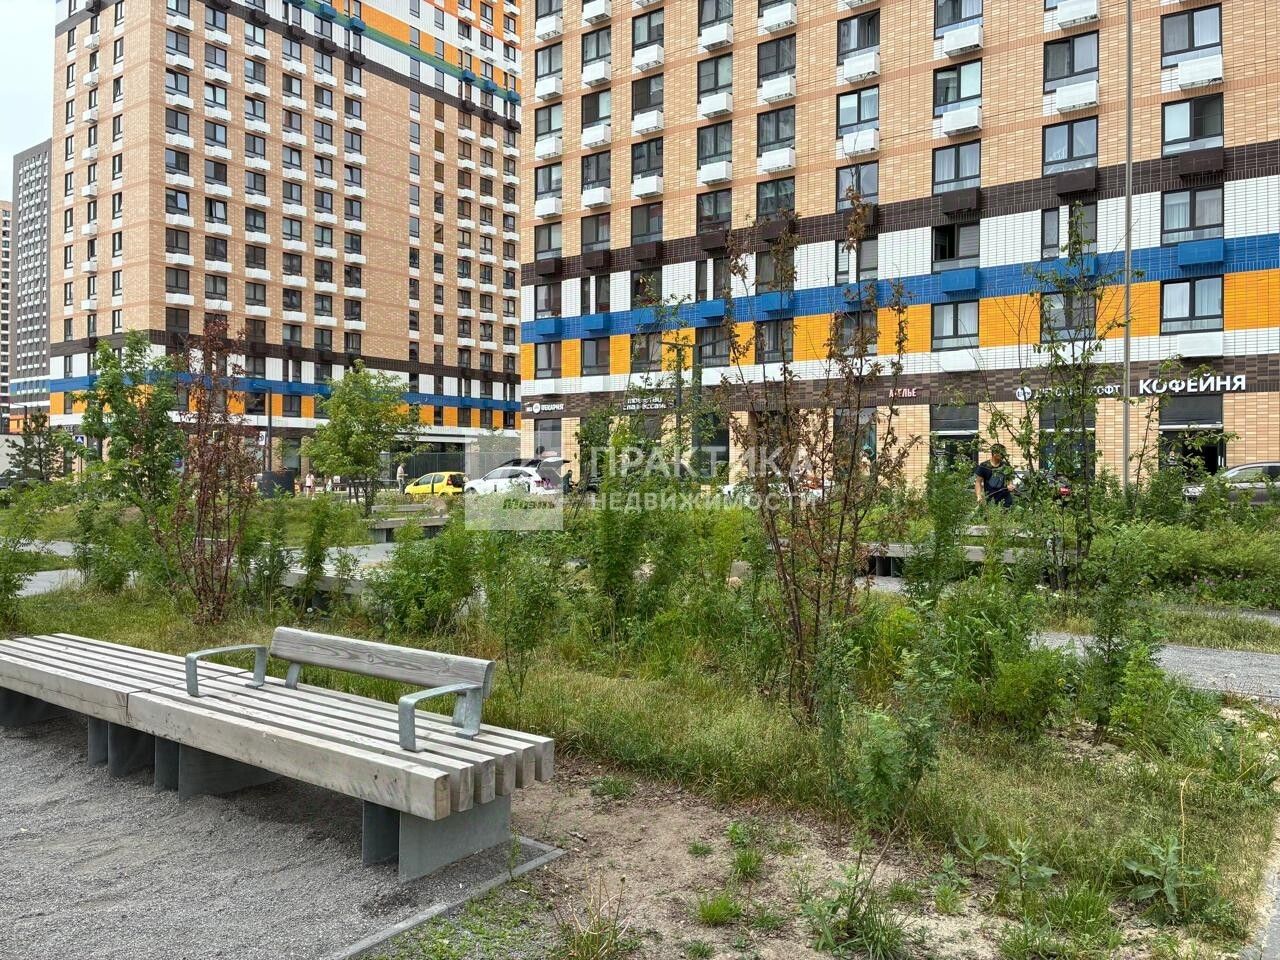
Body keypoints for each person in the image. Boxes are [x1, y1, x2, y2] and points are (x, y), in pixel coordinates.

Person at [974, 444, 1013, 508]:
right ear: (995, 453)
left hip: (1005, 499)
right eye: (1002, 453)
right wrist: (979, 496)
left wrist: (1010, 485)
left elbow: (1009, 480)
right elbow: (978, 482)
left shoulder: (1006, 465)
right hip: (991, 499)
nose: (1004, 455)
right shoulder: (984, 466)